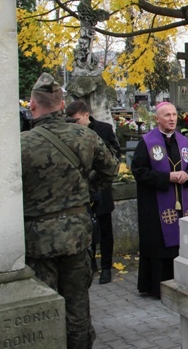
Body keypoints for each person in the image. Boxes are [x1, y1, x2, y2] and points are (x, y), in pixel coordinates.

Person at [22, 73, 118, 349]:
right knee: (78, 308)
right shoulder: (84, 136)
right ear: (62, 104)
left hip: (38, 240)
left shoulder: (22, 144)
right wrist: (88, 191)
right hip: (77, 235)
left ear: (32, 105)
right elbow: (110, 169)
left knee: (44, 308)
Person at [131, 102, 188, 298]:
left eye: (174, 114)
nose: (172, 118)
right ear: (157, 119)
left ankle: (180, 281)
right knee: (159, 244)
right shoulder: (147, 142)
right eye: (167, 115)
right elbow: (139, 171)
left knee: (180, 241)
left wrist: (187, 175)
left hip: (181, 201)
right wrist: (166, 178)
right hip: (155, 203)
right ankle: (157, 287)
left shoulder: (184, 141)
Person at [65, 100, 122, 285]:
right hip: (81, 189)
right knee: (86, 227)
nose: (74, 124)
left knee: (105, 228)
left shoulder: (104, 129)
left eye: (76, 120)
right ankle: (90, 263)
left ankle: (106, 266)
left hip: (101, 187)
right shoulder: (69, 132)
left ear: (86, 115)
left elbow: (115, 154)